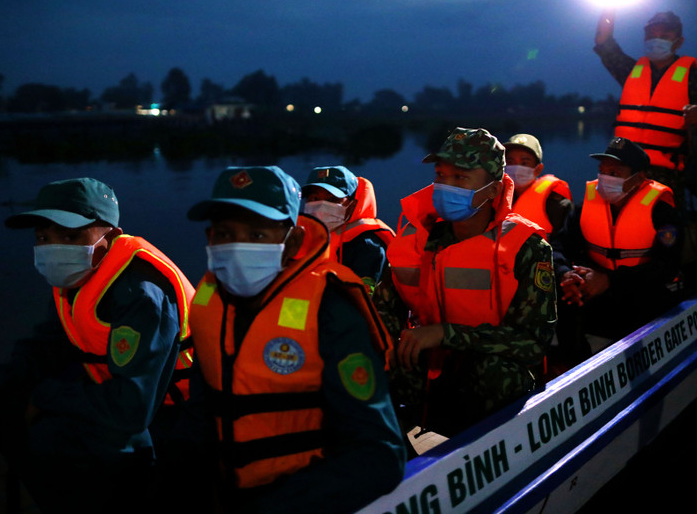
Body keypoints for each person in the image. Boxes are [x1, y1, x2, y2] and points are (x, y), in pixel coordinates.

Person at [0, 177, 194, 513]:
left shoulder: (140, 293)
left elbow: (132, 408)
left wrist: (43, 398)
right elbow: (44, 346)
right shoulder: (78, 279)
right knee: (8, 407)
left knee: (57, 436)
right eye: (43, 237)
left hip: (174, 415)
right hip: (116, 394)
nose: (54, 247)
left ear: (108, 237)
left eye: (70, 236)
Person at [184, 165, 405, 513]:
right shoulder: (209, 301)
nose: (236, 247)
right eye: (224, 234)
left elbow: (380, 455)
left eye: (257, 236)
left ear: (293, 240)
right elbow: (201, 412)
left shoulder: (329, 309)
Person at [374, 127, 557, 437]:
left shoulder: (528, 248)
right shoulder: (423, 238)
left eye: (459, 178)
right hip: (434, 366)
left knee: (496, 373)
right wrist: (395, 344)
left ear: (493, 191)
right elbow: (384, 305)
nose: (445, 185)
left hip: (490, 372)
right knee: (382, 357)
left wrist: (446, 335)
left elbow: (531, 344)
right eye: (441, 175)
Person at [550, 138, 684, 367]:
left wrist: (609, 280)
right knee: (566, 295)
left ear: (639, 178)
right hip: (599, 289)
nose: (605, 178)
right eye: (602, 171)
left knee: (651, 304)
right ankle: (570, 367)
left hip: (643, 292)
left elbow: (666, 267)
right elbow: (559, 246)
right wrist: (565, 274)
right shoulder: (585, 207)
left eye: (614, 172)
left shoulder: (661, 212)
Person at [594, 10, 697, 210]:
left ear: (679, 41)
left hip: (667, 177)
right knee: (618, 223)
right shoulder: (631, 71)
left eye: (664, 36)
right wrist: (609, 8)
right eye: (651, 35)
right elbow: (603, 43)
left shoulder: (694, 78)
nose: (656, 40)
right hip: (623, 173)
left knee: (666, 231)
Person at [301, 165, 395, 294]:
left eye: (332, 199)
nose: (321, 205)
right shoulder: (299, 239)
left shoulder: (368, 245)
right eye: (314, 199)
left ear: (353, 204)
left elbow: (361, 298)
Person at [503, 133, 573, 236]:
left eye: (524, 163)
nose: (516, 168)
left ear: (538, 169)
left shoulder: (556, 204)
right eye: (510, 162)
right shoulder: (494, 198)